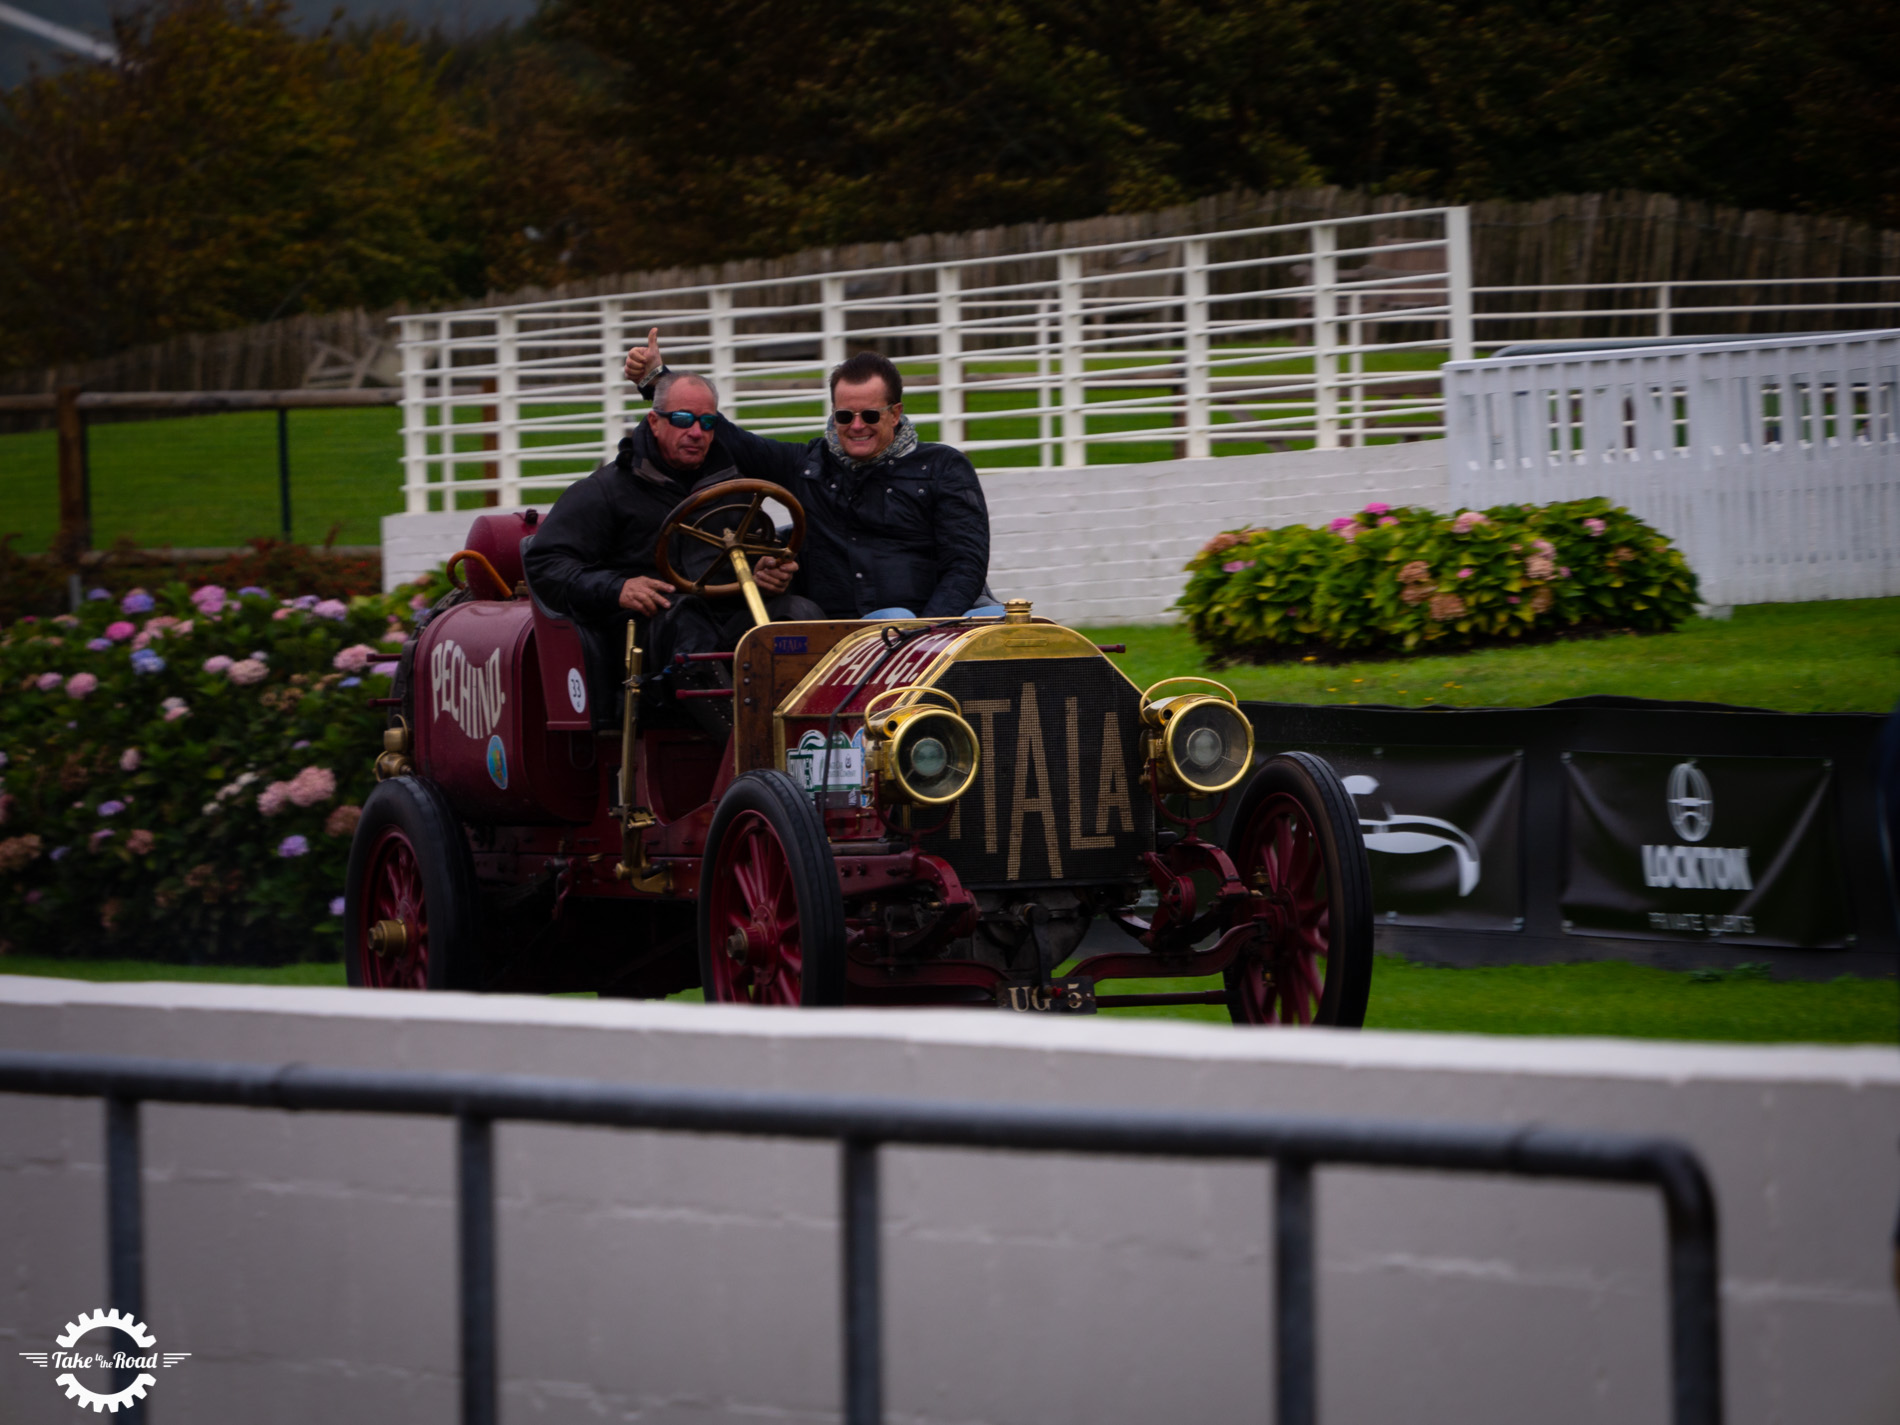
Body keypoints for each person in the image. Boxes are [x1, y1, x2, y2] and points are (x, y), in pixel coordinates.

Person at [523, 369, 823, 734]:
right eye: (682, 420)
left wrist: (768, 572)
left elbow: (756, 553)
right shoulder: (605, 490)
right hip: (646, 642)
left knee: (799, 614)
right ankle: (746, 745)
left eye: (708, 422)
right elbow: (545, 563)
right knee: (685, 617)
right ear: (654, 421)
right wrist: (617, 588)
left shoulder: (735, 483)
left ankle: (809, 738)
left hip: (727, 624)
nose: (696, 432)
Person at [624, 333, 997, 620]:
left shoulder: (943, 467)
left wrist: (926, 632)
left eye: (869, 416)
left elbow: (966, 563)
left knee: (1001, 622)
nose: (856, 427)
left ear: (895, 413)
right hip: (850, 637)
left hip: (933, 628)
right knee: (892, 619)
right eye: (844, 416)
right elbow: (732, 439)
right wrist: (658, 379)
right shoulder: (808, 464)